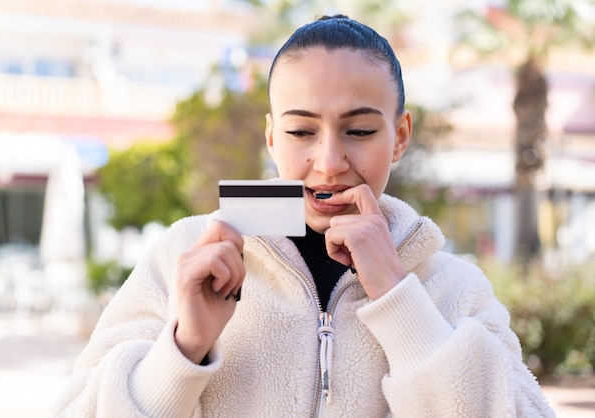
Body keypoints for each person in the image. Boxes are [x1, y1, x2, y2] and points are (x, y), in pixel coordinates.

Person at [53, 15, 555, 417]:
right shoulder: (187, 255)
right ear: (271, 136)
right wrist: (184, 348)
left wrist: (401, 300)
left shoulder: (452, 287)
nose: (329, 162)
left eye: (358, 131)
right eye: (300, 132)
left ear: (400, 136)